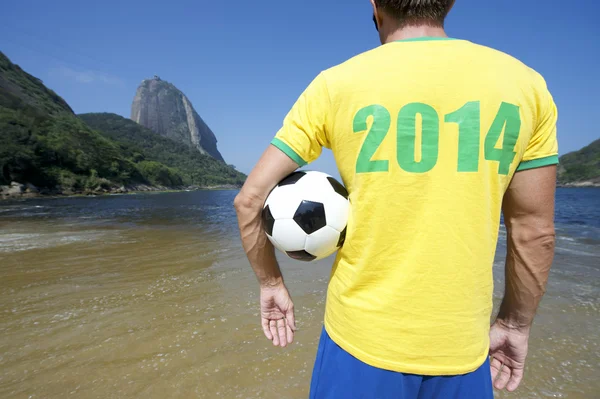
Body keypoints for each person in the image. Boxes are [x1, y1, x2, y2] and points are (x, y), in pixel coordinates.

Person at [234, 0, 558, 397]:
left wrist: (271, 284)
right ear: (450, 2)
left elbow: (250, 199)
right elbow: (534, 231)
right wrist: (514, 324)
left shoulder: (336, 84)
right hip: (463, 350)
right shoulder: (524, 86)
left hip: (358, 344)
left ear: (374, 5)